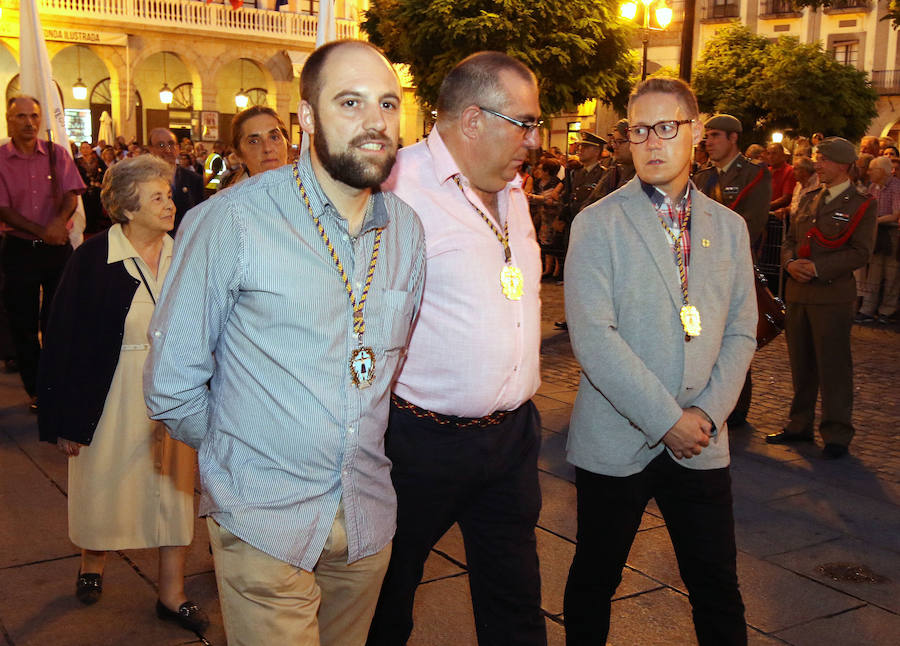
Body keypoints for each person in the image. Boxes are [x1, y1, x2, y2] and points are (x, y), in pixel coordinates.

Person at [145, 40, 425, 646]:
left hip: (368, 515)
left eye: (387, 104)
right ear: (306, 119)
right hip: (264, 520)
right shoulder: (232, 222)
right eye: (349, 102)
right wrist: (240, 457)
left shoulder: (406, 231)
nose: (375, 121)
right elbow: (172, 381)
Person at [563, 77, 757, 646]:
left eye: (666, 127)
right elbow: (595, 338)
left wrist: (708, 414)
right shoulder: (597, 223)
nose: (650, 142)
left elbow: (743, 330)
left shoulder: (730, 226)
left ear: (695, 131)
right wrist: (666, 420)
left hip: (702, 438)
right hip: (618, 438)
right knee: (595, 580)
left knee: (717, 587)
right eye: (638, 130)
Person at [366, 51, 546, 646]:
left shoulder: (513, 189)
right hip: (419, 443)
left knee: (516, 601)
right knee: (386, 596)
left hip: (512, 439)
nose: (534, 139)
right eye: (524, 122)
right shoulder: (395, 187)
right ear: (473, 120)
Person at [36, 155, 208, 634]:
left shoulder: (185, 252)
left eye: (169, 194)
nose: (170, 204)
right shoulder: (93, 258)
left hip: (172, 392)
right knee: (102, 484)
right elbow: (62, 335)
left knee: (173, 494)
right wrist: (64, 419)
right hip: (106, 391)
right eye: (158, 197)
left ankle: (171, 595)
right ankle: (93, 562)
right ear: (128, 209)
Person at [767, 137, 876, 459]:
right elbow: (789, 239)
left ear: (843, 164)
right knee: (801, 365)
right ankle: (799, 424)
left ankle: (837, 432)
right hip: (798, 292)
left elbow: (861, 252)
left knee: (833, 367)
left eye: (823, 159)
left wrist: (817, 267)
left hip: (831, 296)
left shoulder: (861, 204)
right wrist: (789, 263)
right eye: (817, 158)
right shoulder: (810, 196)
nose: (817, 164)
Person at [0, 96, 85, 411]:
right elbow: (4, 209)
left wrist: (58, 223)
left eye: (34, 116)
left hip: (56, 249)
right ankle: (36, 389)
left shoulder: (56, 154)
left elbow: (70, 195)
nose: (29, 122)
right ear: (10, 120)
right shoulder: (0, 159)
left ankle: (56, 383)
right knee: (22, 321)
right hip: (20, 249)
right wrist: (43, 231)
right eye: (21, 116)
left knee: (58, 318)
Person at [694, 114, 771, 429]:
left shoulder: (754, 175)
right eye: (707, 137)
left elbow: (751, 224)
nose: (709, 142)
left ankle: (736, 405)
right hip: (700, 270)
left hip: (732, 269)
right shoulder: (701, 178)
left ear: (733, 138)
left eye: (714, 136)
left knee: (736, 334)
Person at [855, 156, 900, 323]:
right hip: (876, 234)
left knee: (891, 274)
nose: (868, 172)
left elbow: (896, 214)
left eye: (871, 169)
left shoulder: (896, 187)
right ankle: (867, 309)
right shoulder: (873, 187)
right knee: (873, 274)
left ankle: (887, 310)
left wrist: (875, 220)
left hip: (892, 235)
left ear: (881, 171)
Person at [218, 105, 290, 190]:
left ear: (287, 143)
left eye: (274, 137)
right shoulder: (230, 201)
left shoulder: (305, 191)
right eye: (254, 142)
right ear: (239, 154)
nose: (267, 148)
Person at [147, 127, 203, 233]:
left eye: (171, 144)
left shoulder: (194, 179)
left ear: (178, 148)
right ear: (151, 149)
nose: (168, 150)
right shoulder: (143, 180)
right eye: (161, 145)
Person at [766, 143, 796, 213]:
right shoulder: (766, 171)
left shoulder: (790, 171)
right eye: (768, 153)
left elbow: (786, 198)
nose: (770, 157)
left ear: (783, 155)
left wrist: (765, 206)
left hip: (778, 215)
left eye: (774, 153)